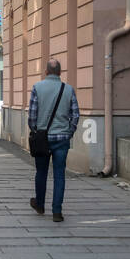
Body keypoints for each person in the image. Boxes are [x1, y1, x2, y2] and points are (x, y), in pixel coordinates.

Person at [29, 58, 80, 221]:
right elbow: (75, 114)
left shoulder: (37, 87)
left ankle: (40, 205)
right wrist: (69, 131)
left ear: (46, 72)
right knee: (59, 174)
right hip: (62, 138)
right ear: (60, 72)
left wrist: (36, 131)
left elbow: (32, 116)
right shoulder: (69, 89)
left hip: (43, 138)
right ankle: (57, 212)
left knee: (41, 172)